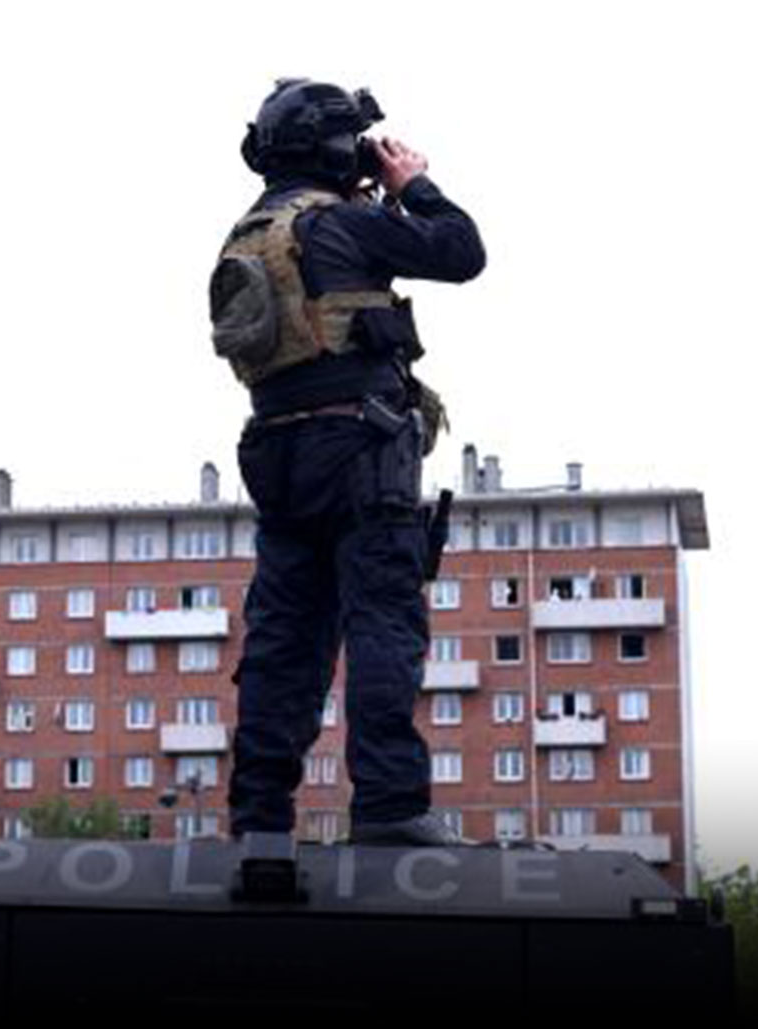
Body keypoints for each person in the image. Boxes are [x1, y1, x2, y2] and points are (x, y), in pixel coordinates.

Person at [210, 78, 485, 846]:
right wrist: (411, 184)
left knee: (283, 642)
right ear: (334, 148)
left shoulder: (247, 235)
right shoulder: (345, 223)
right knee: (383, 618)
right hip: (361, 449)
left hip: (277, 454)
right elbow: (462, 251)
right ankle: (391, 808)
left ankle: (259, 822)